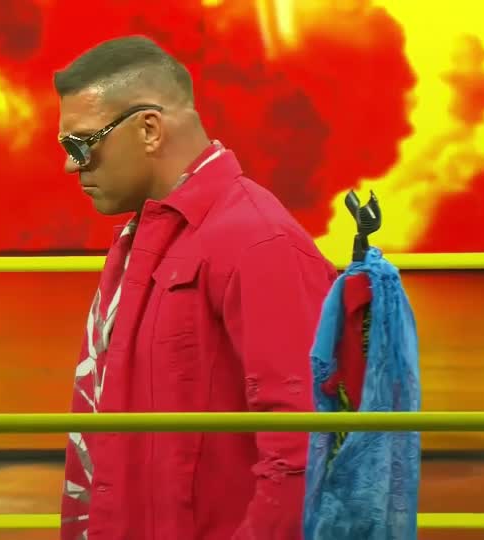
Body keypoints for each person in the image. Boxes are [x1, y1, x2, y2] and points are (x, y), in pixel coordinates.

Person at [55, 36, 337, 539]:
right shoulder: (148, 237)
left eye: (82, 144)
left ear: (148, 129)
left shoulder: (257, 242)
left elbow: (300, 451)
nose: (72, 165)